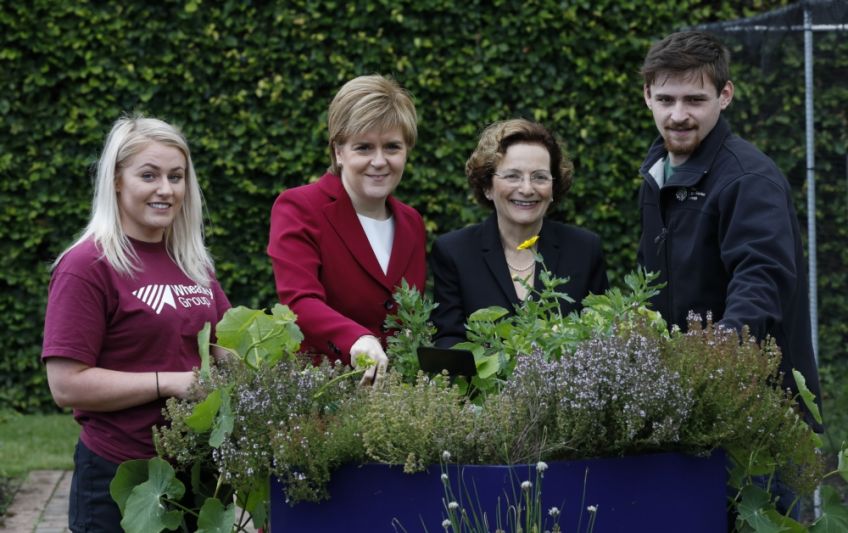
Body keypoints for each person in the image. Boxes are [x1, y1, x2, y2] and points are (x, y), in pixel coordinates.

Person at [637, 31, 822, 515]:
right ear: (647, 97)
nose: (678, 114)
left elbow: (761, 279)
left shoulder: (746, 177)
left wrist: (715, 358)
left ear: (725, 95)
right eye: (666, 99)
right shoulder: (658, 171)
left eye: (695, 99)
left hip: (758, 417)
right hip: (693, 411)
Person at [41, 115, 231, 532]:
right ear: (117, 181)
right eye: (149, 175)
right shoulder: (87, 266)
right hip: (118, 476)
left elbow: (223, 345)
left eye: (176, 176)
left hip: (195, 475)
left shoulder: (194, 264)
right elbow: (66, 385)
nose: (166, 189)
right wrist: (169, 382)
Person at [267, 74, 426, 384]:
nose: (379, 161)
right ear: (339, 151)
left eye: (392, 147)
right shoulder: (299, 207)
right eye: (364, 148)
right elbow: (299, 302)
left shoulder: (412, 223)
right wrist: (358, 339)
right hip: (324, 394)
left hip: (395, 401)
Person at [430, 118, 609, 348]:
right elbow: (448, 341)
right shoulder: (454, 252)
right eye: (512, 176)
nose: (526, 188)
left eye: (540, 177)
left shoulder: (585, 249)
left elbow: (602, 335)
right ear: (487, 186)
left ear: (553, 188)